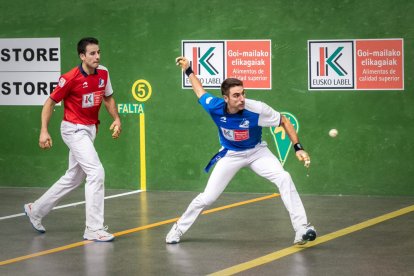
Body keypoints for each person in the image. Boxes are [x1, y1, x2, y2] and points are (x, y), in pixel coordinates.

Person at [166, 57, 316, 245]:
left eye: (243, 93)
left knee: (284, 177)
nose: (242, 98)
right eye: (236, 95)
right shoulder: (214, 106)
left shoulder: (257, 109)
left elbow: (284, 121)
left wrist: (298, 148)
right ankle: (178, 228)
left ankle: (302, 228)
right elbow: (199, 90)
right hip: (231, 154)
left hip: (257, 152)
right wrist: (188, 69)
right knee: (208, 197)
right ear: (226, 98)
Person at [24, 37, 121, 242]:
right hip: (73, 129)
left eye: (98, 52)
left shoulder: (103, 73)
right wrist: (44, 130)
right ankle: (93, 228)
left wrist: (116, 119)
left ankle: (35, 210)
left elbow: (108, 97)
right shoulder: (70, 78)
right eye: (92, 53)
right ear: (82, 56)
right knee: (96, 172)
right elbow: (49, 103)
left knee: (74, 177)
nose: (97, 56)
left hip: (90, 129)